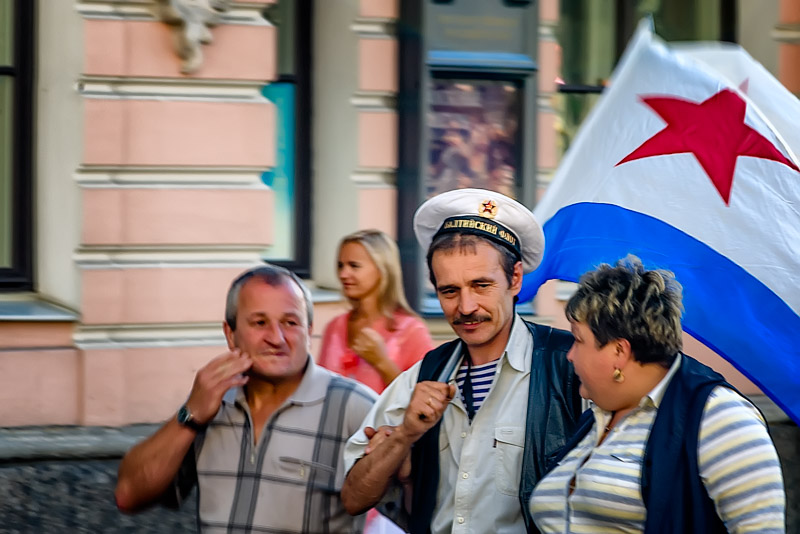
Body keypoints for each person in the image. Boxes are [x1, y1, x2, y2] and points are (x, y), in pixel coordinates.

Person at [340, 188, 584, 534]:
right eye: (449, 291)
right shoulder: (421, 375)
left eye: (481, 285)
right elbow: (353, 498)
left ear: (515, 278)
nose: (465, 307)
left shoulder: (570, 366)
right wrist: (404, 436)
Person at [530, 255, 786, 534]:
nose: (569, 355)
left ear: (619, 351)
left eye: (579, 340)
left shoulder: (719, 417)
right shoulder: (597, 417)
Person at [115, 264, 377, 533]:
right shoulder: (210, 403)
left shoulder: (355, 407)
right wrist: (190, 415)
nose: (276, 338)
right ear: (231, 335)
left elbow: (414, 508)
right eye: (260, 323)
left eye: (290, 322)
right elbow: (128, 496)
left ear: (308, 331)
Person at [318, 229, 435, 394]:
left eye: (354, 266)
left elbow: (426, 399)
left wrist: (382, 362)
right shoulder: (334, 327)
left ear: (382, 269)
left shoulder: (412, 331)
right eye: (340, 265)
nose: (343, 274)